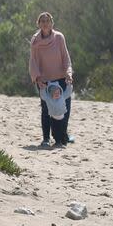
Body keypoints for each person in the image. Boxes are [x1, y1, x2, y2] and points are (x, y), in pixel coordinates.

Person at [28, 12, 74, 148]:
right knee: (47, 109)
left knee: (63, 108)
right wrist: (37, 78)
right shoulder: (35, 40)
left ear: (52, 23)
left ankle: (60, 139)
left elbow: (66, 57)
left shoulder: (59, 37)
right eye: (42, 21)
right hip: (45, 80)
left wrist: (68, 73)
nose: (45, 23)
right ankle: (46, 139)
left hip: (61, 78)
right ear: (38, 24)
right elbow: (33, 61)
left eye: (47, 21)